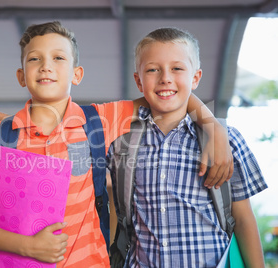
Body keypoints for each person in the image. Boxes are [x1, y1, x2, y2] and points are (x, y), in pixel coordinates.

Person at [0, 21, 233, 267]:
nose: (46, 66)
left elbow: (164, 95)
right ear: (21, 76)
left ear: (77, 74)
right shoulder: (1, 138)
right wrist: (27, 247)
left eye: (58, 57)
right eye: (34, 59)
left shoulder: (99, 121)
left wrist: (212, 127)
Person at [107, 27, 267, 267]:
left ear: (196, 77)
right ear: (139, 81)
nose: (165, 78)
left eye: (177, 68)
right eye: (153, 69)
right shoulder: (118, 143)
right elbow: (115, 216)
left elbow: (244, 220)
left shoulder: (227, 140)